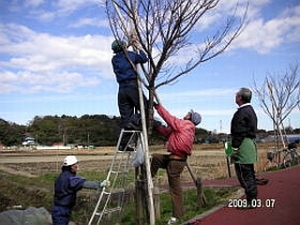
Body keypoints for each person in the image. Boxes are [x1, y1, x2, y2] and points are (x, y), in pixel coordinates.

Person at [151, 104, 202, 224]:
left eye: (189, 113)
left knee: (175, 189)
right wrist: (156, 127)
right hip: (173, 159)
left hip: (176, 161)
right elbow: (166, 132)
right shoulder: (182, 128)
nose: (186, 113)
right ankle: (150, 177)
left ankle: (177, 216)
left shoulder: (185, 124)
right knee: (156, 158)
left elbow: (169, 118)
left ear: (190, 118)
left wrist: (158, 107)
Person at [51, 155, 108, 225]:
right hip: (62, 210)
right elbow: (84, 184)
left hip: (59, 209)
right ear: (71, 166)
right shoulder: (70, 178)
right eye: (75, 164)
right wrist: (100, 184)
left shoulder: (62, 176)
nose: (77, 166)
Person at [111, 39, 149, 130]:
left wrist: (129, 44)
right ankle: (134, 121)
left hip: (121, 90)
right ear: (124, 47)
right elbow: (144, 59)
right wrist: (139, 48)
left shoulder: (114, 59)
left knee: (125, 118)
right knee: (147, 108)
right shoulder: (130, 55)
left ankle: (124, 144)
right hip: (132, 86)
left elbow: (122, 51)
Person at [230, 87, 258, 209]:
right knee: (249, 173)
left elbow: (239, 132)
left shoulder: (241, 113)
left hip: (242, 145)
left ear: (240, 98)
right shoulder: (250, 110)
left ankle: (251, 200)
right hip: (249, 144)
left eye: (237, 95)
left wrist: (234, 149)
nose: (235, 96)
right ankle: (252, 198)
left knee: (244, 174)